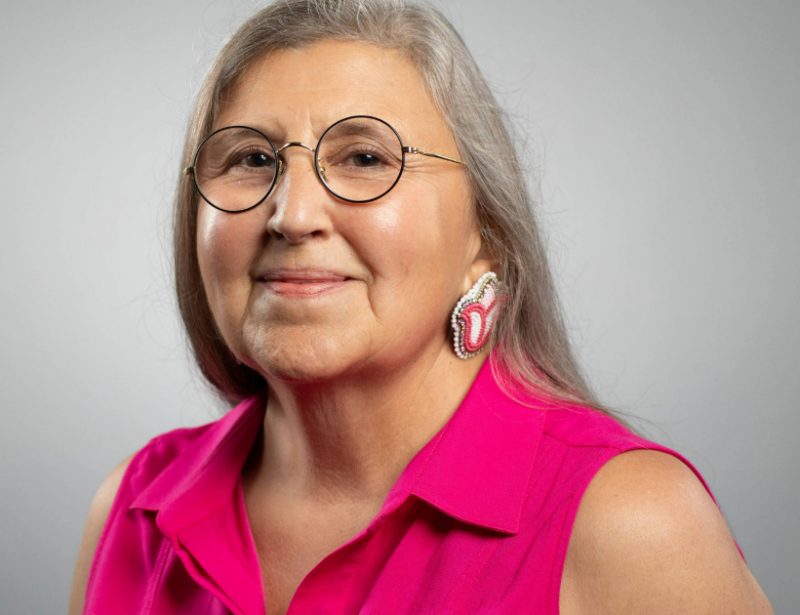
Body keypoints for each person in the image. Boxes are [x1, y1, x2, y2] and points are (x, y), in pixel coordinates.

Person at [69, 1, 773, 613]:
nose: (292, 213)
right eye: (252, 159)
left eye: (366, 157)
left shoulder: (627, 523)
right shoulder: (128, 511)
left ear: (484, 234)